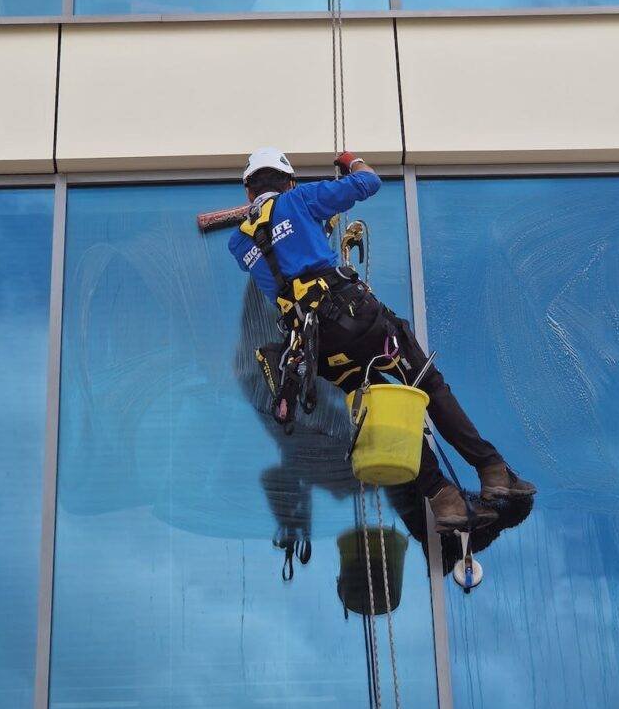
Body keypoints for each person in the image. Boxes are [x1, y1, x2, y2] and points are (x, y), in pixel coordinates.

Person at [228, 147, 536, 530]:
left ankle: (445, 499)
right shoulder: (300, 199)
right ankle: (491, 470)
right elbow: (368, 182)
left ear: (247, 192)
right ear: (289, 181)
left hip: (315, 346)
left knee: (382, 411)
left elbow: (285, 256)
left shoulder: (240, 244)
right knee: (427, 384)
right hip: (357, 320)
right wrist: (351, 162)